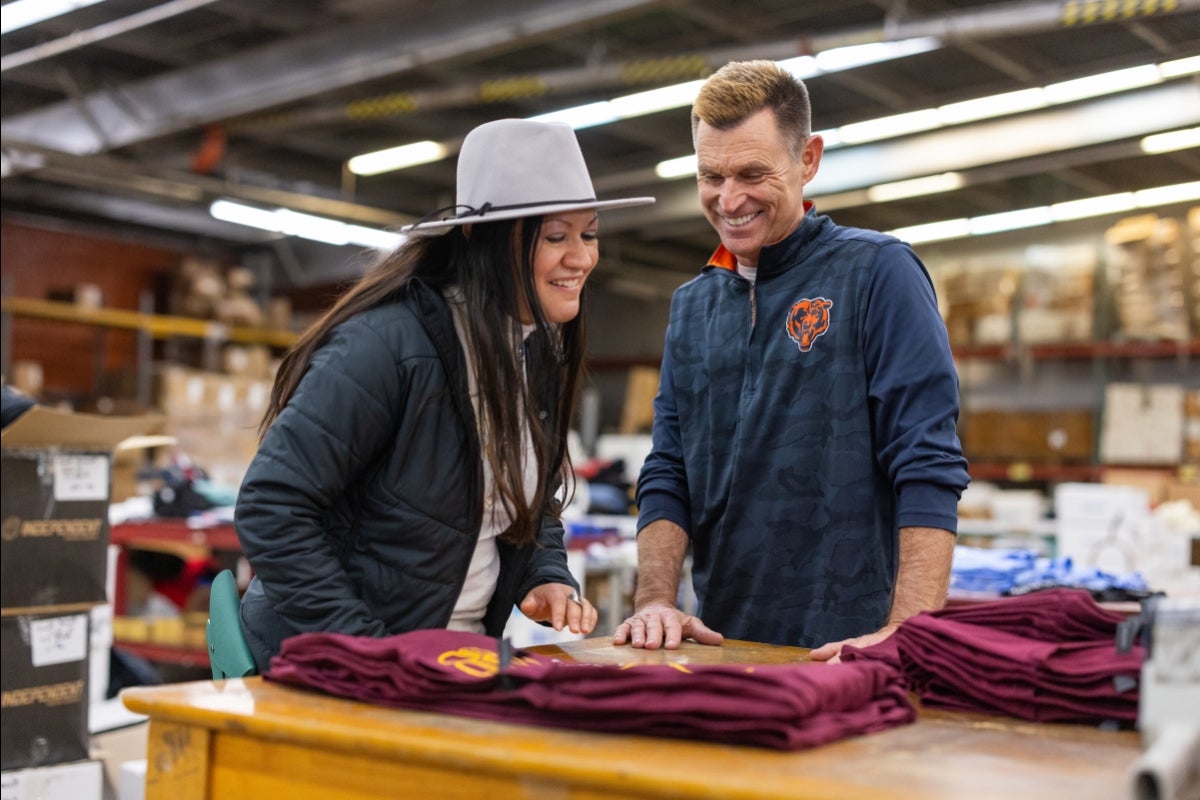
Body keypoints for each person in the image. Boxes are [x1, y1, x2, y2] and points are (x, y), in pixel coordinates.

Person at [234, 118, 654, 673]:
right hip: (339, 665)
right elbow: (272, 506)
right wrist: (369, 652)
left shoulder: (532, 354)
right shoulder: (387, 346)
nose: (581, 257)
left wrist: (543, 572)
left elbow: (528, 498)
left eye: (589, 233)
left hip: (451, 663)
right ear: (488, 243)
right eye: (556, 236)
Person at [613, 60, 969, 661]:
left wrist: (907, 633)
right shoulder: (694, 305)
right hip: (724, 643)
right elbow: (669, 468)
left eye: (753, 173)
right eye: (710, 176)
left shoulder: (876, 273)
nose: (729, 199)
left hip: (853, 648)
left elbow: (927, 459)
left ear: (808, 160)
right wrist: (655, 600)